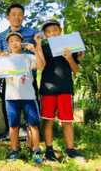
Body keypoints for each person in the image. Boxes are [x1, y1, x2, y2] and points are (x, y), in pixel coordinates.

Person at [0, 3, 39, 141]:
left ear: (23, 17)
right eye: (13, 14)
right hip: (9, 80)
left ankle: (32, 140)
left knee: (31, 110)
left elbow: (51, 39)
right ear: (8, 17)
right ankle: (11, 135)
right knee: (10, 110)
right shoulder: (1, 36)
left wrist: (75, 48)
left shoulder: (33, 33)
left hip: (28, 80)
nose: (17, 17)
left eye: (20, 14)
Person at [38, 19, 85, 162]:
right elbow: (40, 67)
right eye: (48, 32)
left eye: (55, 30)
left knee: (67, 121)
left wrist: (70, 58)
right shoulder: (44, 48)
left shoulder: (70, 48)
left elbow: (76, 69)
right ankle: (49, 152)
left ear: (60, 31)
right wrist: (38, 45)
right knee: (48, 121)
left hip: (65, 89)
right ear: (45, 35)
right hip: (47, 90)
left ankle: (70, 151)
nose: (52, 33)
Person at [0, 31, 44, 163]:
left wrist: (35, 50)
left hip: (28, 96)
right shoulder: (4, 59)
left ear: (22, 42)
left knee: (33, 125)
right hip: (11, 97)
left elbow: (41, 67)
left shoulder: (28, 57)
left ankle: (36, 152)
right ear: (8, 45)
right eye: (11, 41)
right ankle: (14, 151)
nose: (14, 43)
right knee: (13, 126)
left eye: (17, 40)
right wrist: (2, 58)